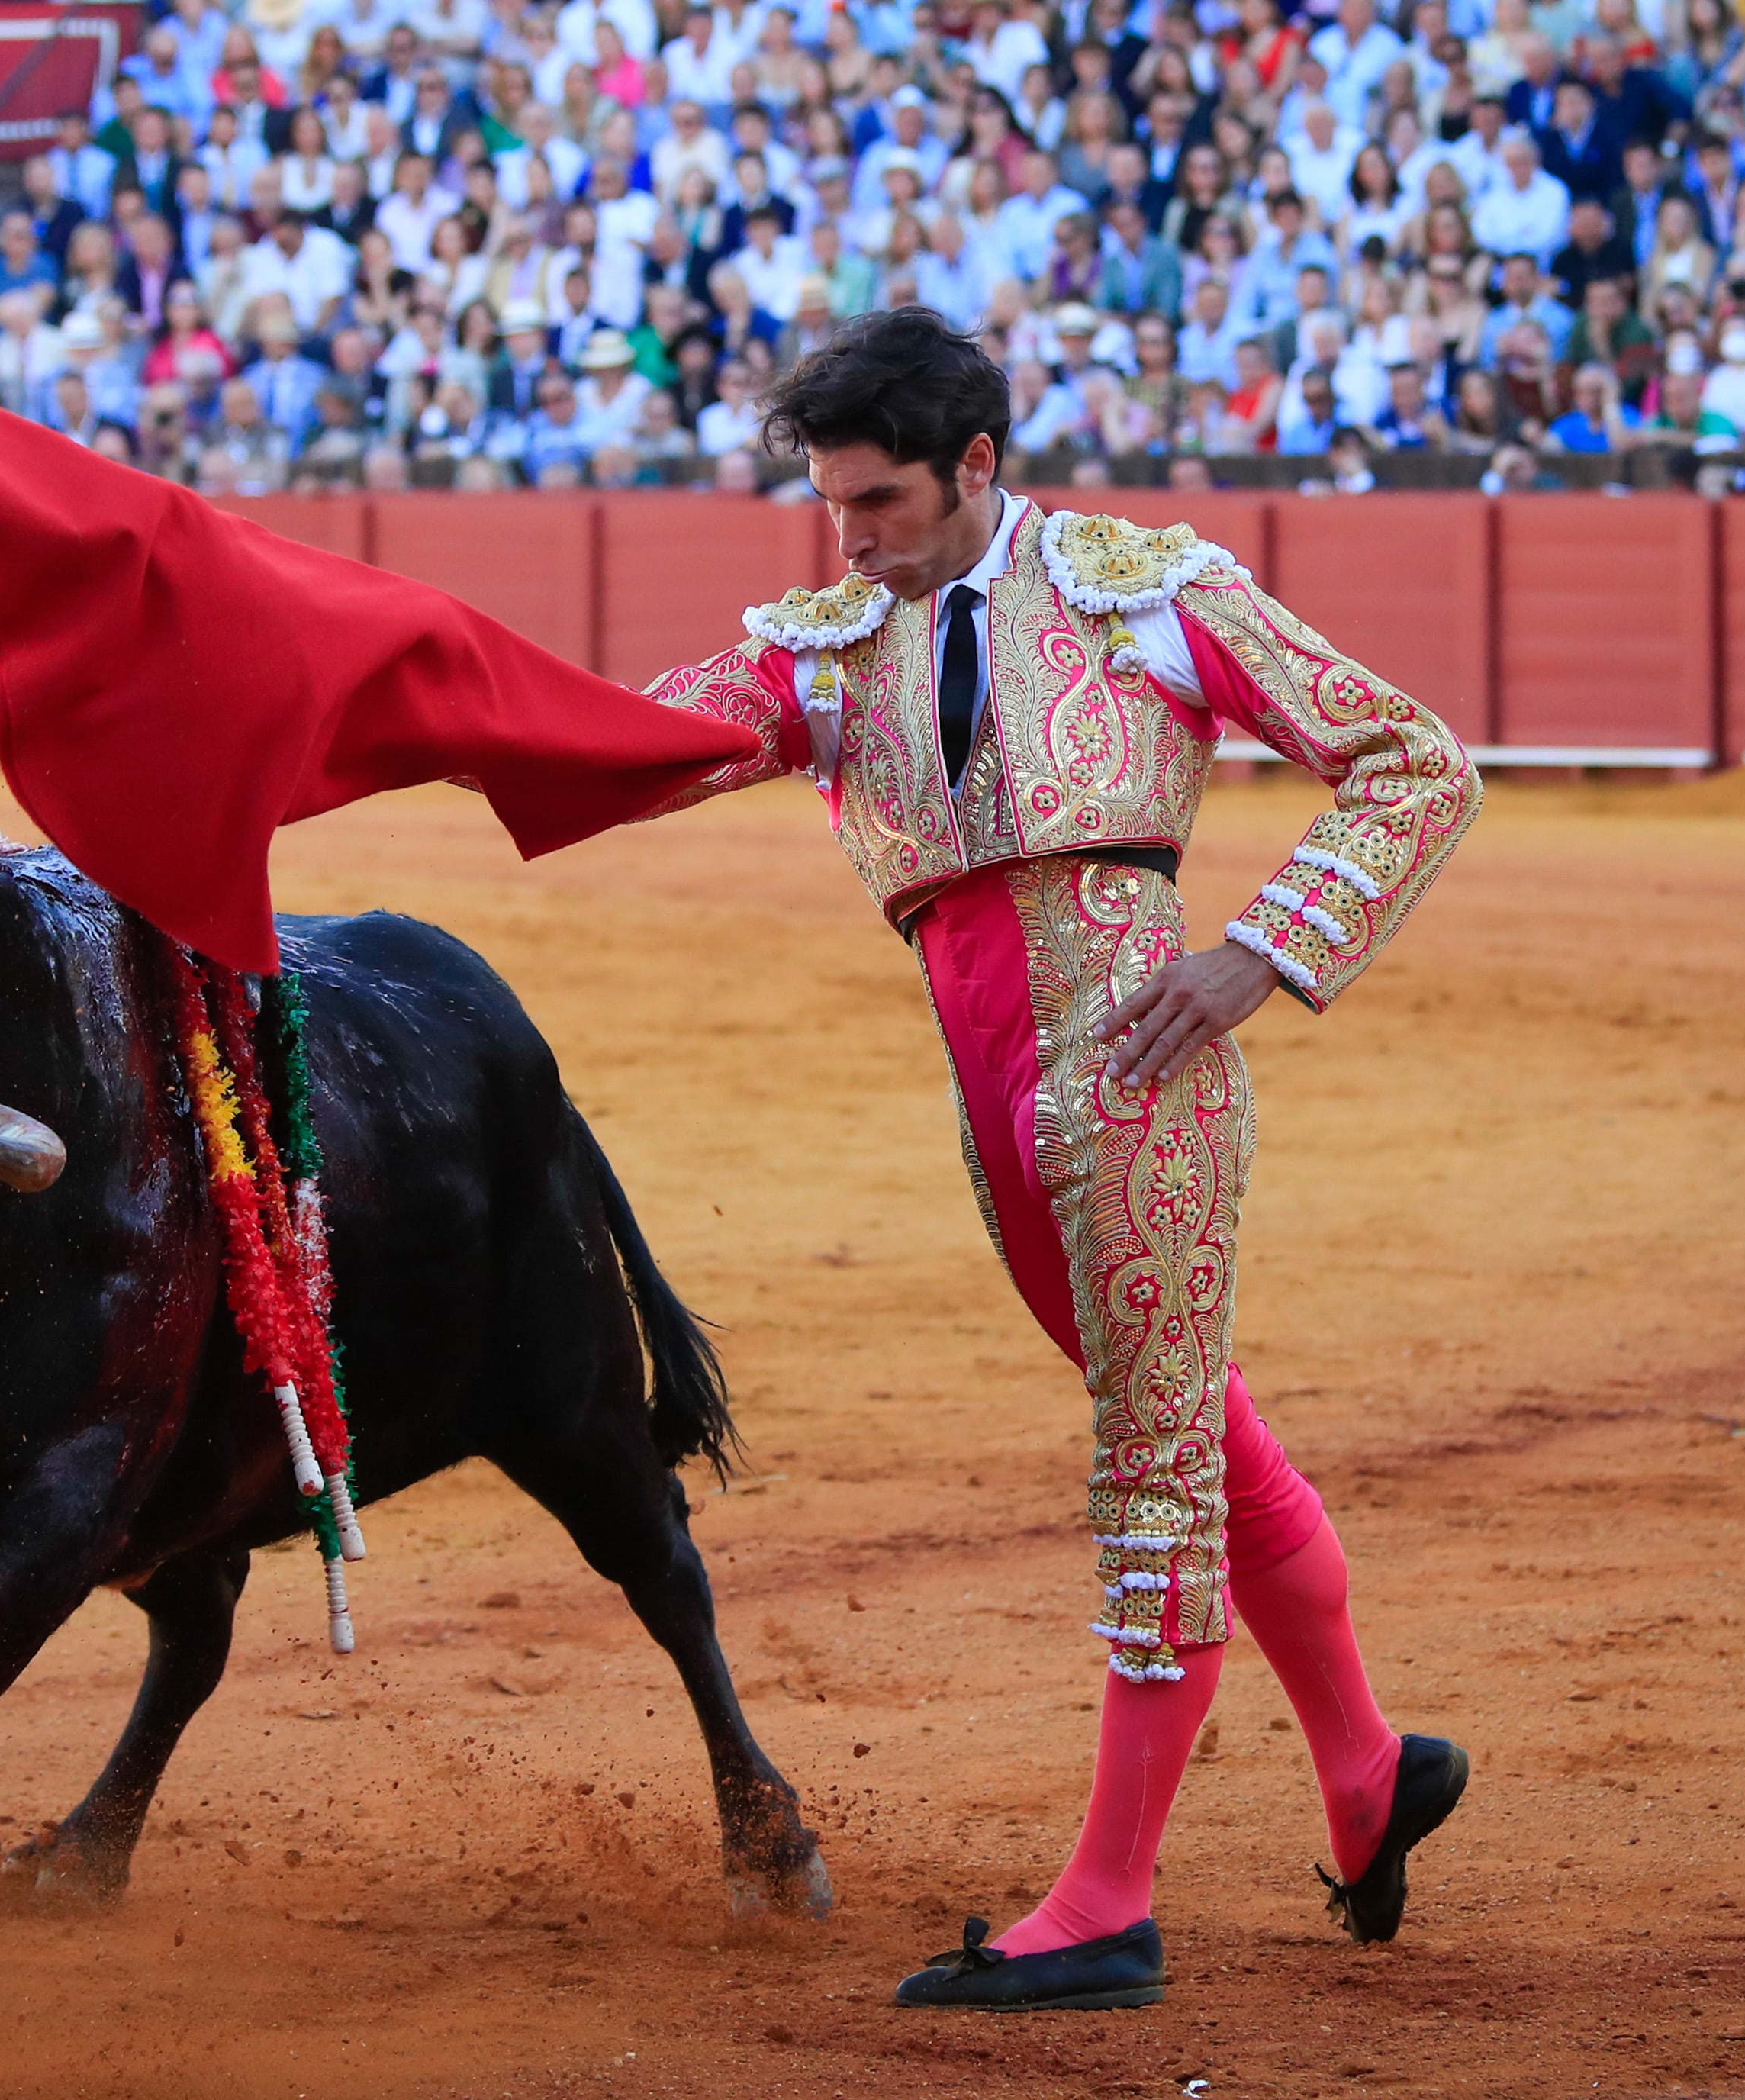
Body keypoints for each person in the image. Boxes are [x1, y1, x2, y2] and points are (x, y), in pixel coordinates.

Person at [629, 309, 1479, 2012]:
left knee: (1155, 1459)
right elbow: (635, 744)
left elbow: (1412, 757)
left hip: (1138, 1078)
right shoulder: (831, 637)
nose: (845, 535)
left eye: (874, 500)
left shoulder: (1139, 589)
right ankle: (1369, 1769)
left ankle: (1107, 1901)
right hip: (994, 1102)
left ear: (977, 466)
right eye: (826, 502)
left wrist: (1265, 946)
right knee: (1203, 1431)